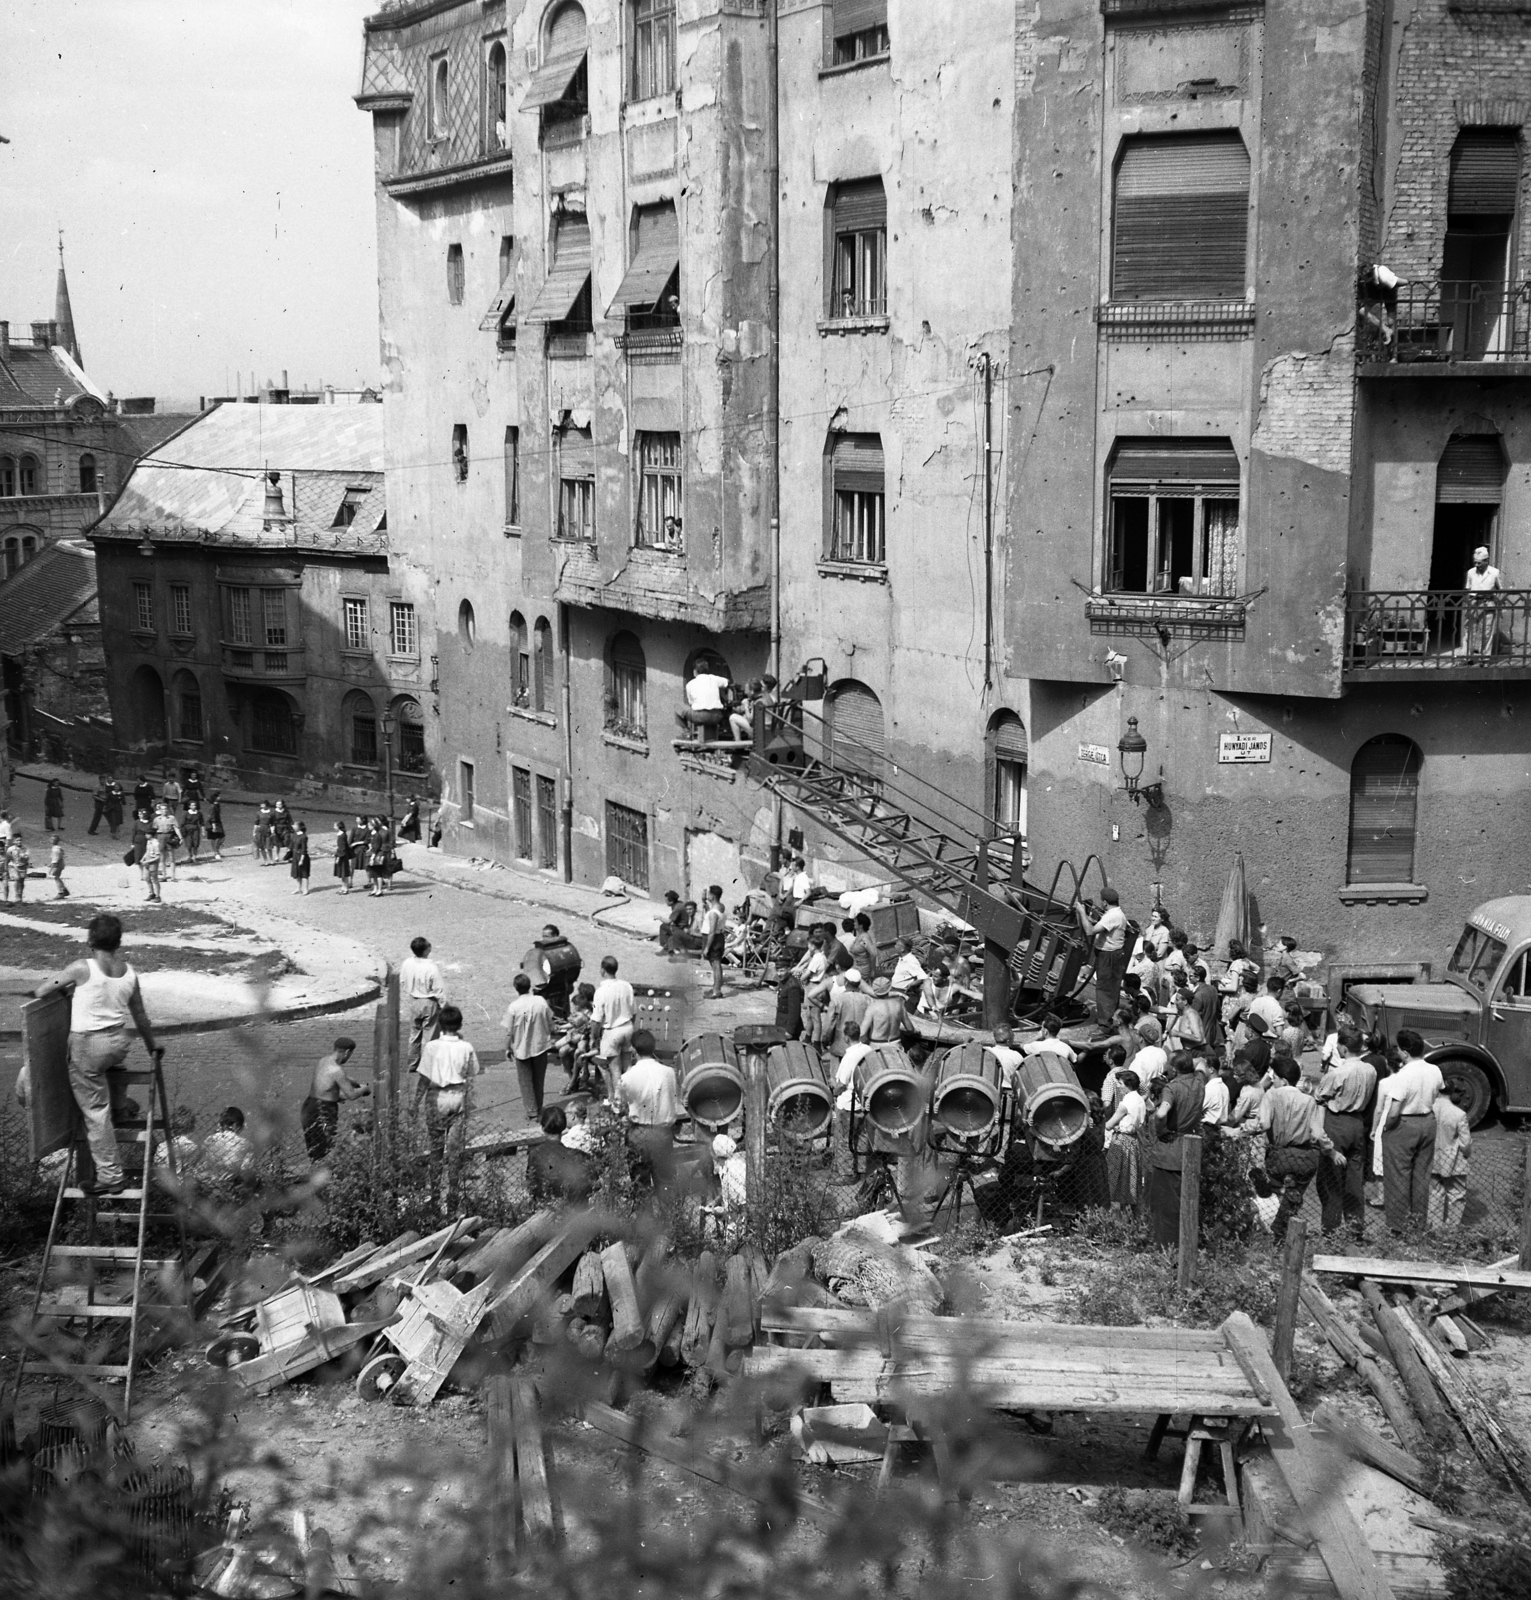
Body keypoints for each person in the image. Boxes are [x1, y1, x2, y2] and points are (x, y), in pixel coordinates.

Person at [34, 913, 161, 1196]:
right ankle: (119, 1105)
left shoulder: (82, 967)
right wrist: (152, 1046)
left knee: (94, 1112)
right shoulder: (129, 972)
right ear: (118, 941)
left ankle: (111, 1176)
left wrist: (64, 991)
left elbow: (43, 990)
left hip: (88, 1045)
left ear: (90, 939)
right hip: (118, 1042)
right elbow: (140, 1014)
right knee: (109, 1069)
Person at [1258, 1058, 1345, 1242]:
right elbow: (1318, 1133)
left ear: (1283, 1080)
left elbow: (1263, 1123)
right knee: (1293, 1196)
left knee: (1272, 1193)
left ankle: (1275, 1230)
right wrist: (1331, 1152)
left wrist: (1238, 1131)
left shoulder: (1271, 1095)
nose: (1272, 1082)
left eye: (1274, 1078)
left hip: (1278, 1155)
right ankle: (1284, 1225)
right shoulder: (1308, 1101)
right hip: (1304, 1158)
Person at [1377, 1028, 1444, 1233]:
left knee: (1397, 1177)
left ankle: (1396, 1227)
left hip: (1404, 1124)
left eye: (1398, 1048)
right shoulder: (1435, 1070)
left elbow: (1395, 1110)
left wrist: (1386, 1127)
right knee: (1421, 1177)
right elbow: (1439, 1091)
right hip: (1427, 1122)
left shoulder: (1403, 1075)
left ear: (1405, 1053)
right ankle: (1417, 1224)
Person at [1314, 1025, 1377, 1241]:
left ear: (1342, 1047)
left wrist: (1321, 1133)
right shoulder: (1371, 1070)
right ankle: (1355, 1229)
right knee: (1354, 1180)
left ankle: (1330, 1231)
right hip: (1357, 1124)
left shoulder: (1337, 1073)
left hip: (1337, 1123)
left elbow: (1320, 1099)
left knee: (1331, 1182)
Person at [417, 1005, 480, 1204]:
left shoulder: (431, 1047)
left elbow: (424, 1079)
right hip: (457, 1096)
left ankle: (435, 1192)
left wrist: (415, 1103)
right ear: (459, 1024)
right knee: (455, 1149)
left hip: (436, 1097)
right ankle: (453, 1190)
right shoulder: (466, 1047)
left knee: (436, 1149)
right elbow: (472, 1072)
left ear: (440, 1025)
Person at [1143, 1052, 1204, 1246]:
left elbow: (1161, 1113)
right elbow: (1202, 1063)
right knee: (1185, 1200)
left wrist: (1161, 1130)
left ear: (1175, 1069)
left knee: (1164, 1204)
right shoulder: (1199, 1083)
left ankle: (1166, 1247)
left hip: (1170, 1148)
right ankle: (1186, 1242)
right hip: (1190, 1146)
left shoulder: (1172, 1088)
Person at [617, 1028, 680, 1184]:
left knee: (639, 1184)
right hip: (663, 1133)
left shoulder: (627, 1077)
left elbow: (619, 1107)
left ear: (633, 1050)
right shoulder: (669, 1072)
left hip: (639, 1133)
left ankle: (643, 1208)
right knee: (665, 1183)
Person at [300, 1037, 370, 1161]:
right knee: (326, 1148)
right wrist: (364, 1089)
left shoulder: (324, 1061)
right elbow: (351, 1095)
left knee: (314, 1148)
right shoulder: (337, 1070)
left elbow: (327, 1084)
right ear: (347, 1052)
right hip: (323, 1111)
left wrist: (353, 1082)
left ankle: (317, 1173)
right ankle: (325, 1176)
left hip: (309, 1106)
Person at [1078, 887, 1130, 1036]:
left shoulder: (1112, 916)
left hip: (1109, 956)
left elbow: (1089, 931)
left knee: (1105, 989)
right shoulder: (1116, 914)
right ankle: (1110, 1020)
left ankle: (1105, 1026)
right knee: (1110, 989)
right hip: (1112, 955)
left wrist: (1082, 912)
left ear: (1105, 902)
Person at [504, 971, 555, 1121]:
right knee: (539, 1079)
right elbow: (551, 1022)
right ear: (529, 986)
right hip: (540, 1046)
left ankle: (532, 1111)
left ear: (516, 988)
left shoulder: (513, 1007)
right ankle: (538, 1107)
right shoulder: (541, 1001)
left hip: (522, 1048)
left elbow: (509, 1031)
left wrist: (507, 1048)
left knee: (526, 1081)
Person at [401, 936, 446, 1095]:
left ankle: (412, 1063)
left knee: (414, 1034)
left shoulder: (407, 963)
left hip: (414, 1001)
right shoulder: (432, 967)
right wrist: (443, 1005)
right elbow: (439, 989)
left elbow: (403, 981)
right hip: (429, 1001)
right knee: (430, 1035)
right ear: (426, 949)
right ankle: (427, 1066)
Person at [591, 955, 637, 1098]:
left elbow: (597, 1019)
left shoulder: (601, 991)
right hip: (627, 1027)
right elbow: (634, 1011)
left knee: (615, 1069)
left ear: (603, 970)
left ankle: (619, 1101)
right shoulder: (626, 986)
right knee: (628, 1065)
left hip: (611, 1032)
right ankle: (631, 1096)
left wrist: (594, 1036)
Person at [1103, 1069, 1146, 1208]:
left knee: (1113, 1176)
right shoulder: (1140, 1099)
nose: (1119, 1087)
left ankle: (1113, 1210)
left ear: (1128, 1084)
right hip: (1134, 1140)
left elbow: (1109, 1125)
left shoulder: (1126, 1102)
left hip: (1121, 1140)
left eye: (1120, 1084)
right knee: (1129, 1178)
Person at [198, 1107, 258, 1204]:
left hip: (208, 1183)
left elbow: (202, 1161)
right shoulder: (246, 1145)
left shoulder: (209, 1140)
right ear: (236, 1126)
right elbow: (246, 1169)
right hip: (230, 1186)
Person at [1430, 1096, 1471, 1230]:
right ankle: (1452, 1229)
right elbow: (1465, 1143)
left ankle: (1434, 1227)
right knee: (1457, 1193)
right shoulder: (1459, 1114)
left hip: (1432, 1157)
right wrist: (1466, 1154)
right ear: (1452, 1092)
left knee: (1435, 1192)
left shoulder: (1429, 1110)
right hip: (1454, 1159)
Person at [555, 982, 597, 1092]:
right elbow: (573, 1024)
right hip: (576, 1036)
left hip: (586, 1039)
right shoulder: (578, 1009)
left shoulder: (593, 1010)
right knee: (562, 1051)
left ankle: (576, 1079)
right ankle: (572, 1077)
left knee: (579, 1052)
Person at [1462, 545, 1503, 658]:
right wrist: (1468, 600)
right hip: (1473, 604)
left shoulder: (1494, 572)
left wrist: (1494, 598)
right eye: (1475, 562)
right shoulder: (1471, 572)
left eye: (1479, 563)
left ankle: (1485, 658)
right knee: (1470, 631)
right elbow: (1467, 588)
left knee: (1486, 633)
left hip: (1488, 604)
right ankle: (1468, 657)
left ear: (1486, 561)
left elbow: (1500, 589)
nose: (1476, 565)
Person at [821, 967, 870, 1057]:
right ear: (859, 983)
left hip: (840, 1047)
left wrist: (825, 1040)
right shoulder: (867, 1000)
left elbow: (829, 1024)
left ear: (846, 982)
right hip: (862, 1046)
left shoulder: (837, 1000)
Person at [679, 660, 732, 741]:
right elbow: (727, 682)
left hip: (701, 717)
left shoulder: (690, 684)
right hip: (717, 716)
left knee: (678, 707)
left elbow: (691, 703)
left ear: (695, 671)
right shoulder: (713, 678)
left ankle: (686, 732)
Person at [699, 884, 728, 999]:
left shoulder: (713, 913)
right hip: (719, 937)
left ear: (713, 895)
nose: (707, 896)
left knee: (716, 965)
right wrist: (704, 901)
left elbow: (711, 931)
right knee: (716, 964)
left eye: (709, 894)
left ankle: (717, 991)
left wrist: (707, 947)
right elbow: (711, 911)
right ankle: (716, 987)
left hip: (713, 938)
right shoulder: (721, 907)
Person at [862, 975, 907, 1044]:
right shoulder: (899, 1005)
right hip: (895, 1043)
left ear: (874, 990)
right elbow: (910, 1029)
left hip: (877, 1045)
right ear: (890, 988)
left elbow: (862, 1032)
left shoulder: (872, 1008)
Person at [889, 939, 927, 1003]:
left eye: (897, 945)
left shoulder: (910, 961)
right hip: (895, 990)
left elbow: (922, 977)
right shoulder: (902, 958)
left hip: (903, 992)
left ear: (902, 949)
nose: (895, 946)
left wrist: (910, 985)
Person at [989, 1026, 1024, 1091]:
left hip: (990, 1090)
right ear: (1008, 1041)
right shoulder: (1016, 1056)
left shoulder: (988, 1052)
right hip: (1009, 1090)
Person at [657, 890, 688, 954]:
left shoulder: (677, 908)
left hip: (680, 927)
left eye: (666, 900)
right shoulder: (679, 904)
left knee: (663, 926)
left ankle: (663, 946)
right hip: (682, 925)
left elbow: (668, 921)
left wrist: (659, 917)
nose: (665, 902)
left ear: (671, 901)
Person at [849, 912, 878, 982]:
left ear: (861, 925)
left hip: (863, 969)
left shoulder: (865, 939)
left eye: (855, 922)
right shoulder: (859, 936)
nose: (854, 924)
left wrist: (872, 971)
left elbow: (873, 954)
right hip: (856, 966)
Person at [5, 831, 30, 903]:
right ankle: (16, 895)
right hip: (14, 866)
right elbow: (8, 857)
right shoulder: (11, 849)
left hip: (23, 866)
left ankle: (20, 895)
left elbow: (27, 856)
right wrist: (6, 866)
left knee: (21, 881)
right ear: (14, 841)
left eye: (20, 840)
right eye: (17, 840)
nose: (19, 842)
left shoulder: (25, 848)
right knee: (17, 879)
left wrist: (24, 856)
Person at [289, 821, 312, 895]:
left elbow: (304, 849)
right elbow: (292, 845)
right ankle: (298, 888)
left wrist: (301, 860)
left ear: (299, 827)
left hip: (302, 856)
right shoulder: (294, 834)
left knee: (304, 873)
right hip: (295, 855)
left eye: (295, 825)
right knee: (297, 873)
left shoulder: (304, 837)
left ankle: (306, 889)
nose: (293, 826)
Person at [141, 830, 163, 904]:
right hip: (147, 862)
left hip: (153, 863)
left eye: (147, 834)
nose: (146, 835)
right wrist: (143, 858)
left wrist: (147, 861)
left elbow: (157, 857)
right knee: (146, 878)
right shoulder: (148, 842)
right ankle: (151, 893)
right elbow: (147, 851)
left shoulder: (155, 844)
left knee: (155, 879)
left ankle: (158, 895)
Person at [332, 819, 354, 894]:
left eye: (335, 826)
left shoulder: (341, 836)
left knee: (344, 873)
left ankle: (345, 888)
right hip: (342, 856)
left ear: (338, 827)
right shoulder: (341, 834)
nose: (334, 827)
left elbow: (342, 848)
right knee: (342, 873)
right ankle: (343, 887)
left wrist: (338, 857)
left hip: (342, 857)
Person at [205, 790, 225, 861]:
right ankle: (216, 852)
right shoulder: (213, 807)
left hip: (218, 822)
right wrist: (213, 826)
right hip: (213, 823)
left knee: (221, 837)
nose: (220, 797)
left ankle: (217, 850)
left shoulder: (217, 805)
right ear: (215, 798)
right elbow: (212, 817)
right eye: (218, 796)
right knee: (216, 838)